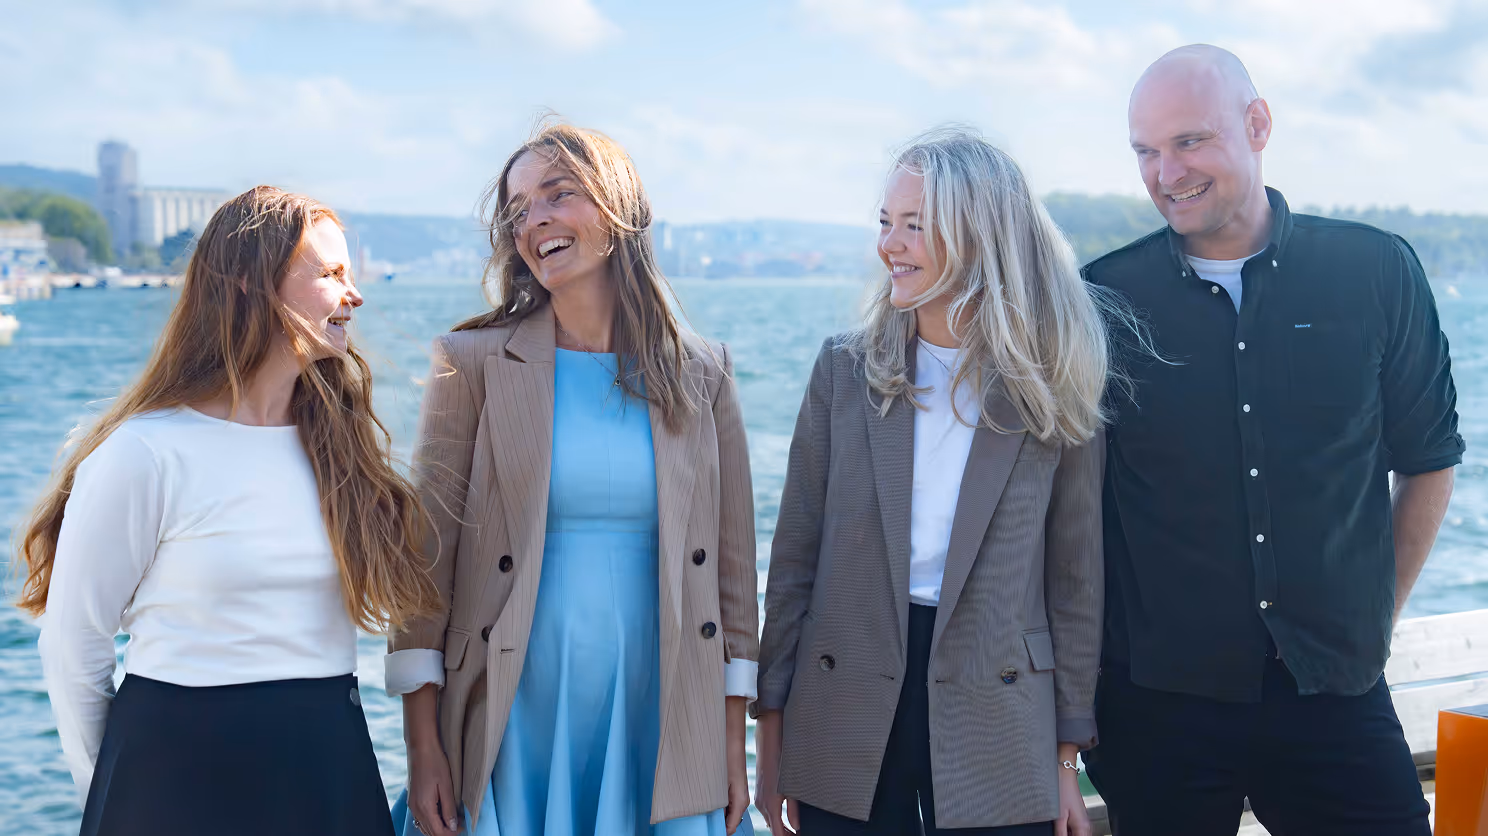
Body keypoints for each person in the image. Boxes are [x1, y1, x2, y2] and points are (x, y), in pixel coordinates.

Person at [1082, 45, 1461, 836]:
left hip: (1337, 694)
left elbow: (1427, 462)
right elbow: (1069, 515)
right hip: (1158, 711)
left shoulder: (1376, 271)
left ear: (1258, 125)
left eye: (1189, 141)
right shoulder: (1103, 301)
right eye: (1145, 152)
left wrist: (1369, 622)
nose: (1166, 173)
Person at [18, 186, 436, 836]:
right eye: (331, 275)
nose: (355, 296)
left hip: (330, 771)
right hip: (175, 784)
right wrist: (116, 796)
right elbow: (75, 646)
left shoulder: (338, 452)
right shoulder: (146, 452)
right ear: (251, 284)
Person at [385, 121, 758, 836]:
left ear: (619, 211)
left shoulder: (703, 374)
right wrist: (422, 748)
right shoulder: (470, 364)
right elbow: (422, 576)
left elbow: (734, 582)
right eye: (520, 209)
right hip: (512, 710)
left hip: (662, 711)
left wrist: (730, 748)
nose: (537, 220)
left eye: (558, 194)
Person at [752, 126, 1109, 836]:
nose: (890, 244)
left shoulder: (1051, 384)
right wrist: (773, 741)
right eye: (886, 223)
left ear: (979, 236)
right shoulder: (844, 371)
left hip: (997, 710)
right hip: (847, 698)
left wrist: (1066, 760)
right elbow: (794, 561)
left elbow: (1075, 582)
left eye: (915, 225)